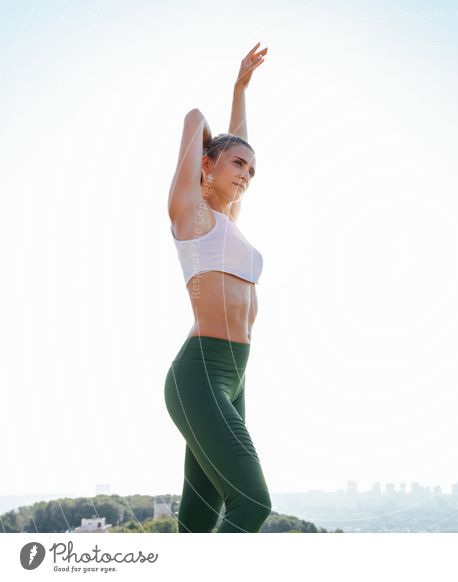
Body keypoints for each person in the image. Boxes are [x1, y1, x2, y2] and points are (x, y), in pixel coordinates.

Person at [163, 42, 271, 533]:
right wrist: (213, 143)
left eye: (251, 170)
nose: (246, 174)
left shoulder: (228, 220)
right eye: (237, 166)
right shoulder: (193, 213)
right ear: (207, 165)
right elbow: (195, 118)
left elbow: (235, 141)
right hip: (201, 371)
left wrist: (241, 89)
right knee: (252, 502)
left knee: (199, 515)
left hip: (235, 377)